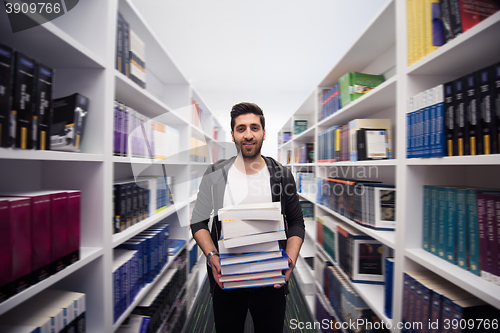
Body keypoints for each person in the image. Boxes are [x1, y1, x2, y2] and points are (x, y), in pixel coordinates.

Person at [190, 102, 305, 333]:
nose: (248, 134)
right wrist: (212, 256)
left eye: (254, 127)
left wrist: (289, 261)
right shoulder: (215, 174)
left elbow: (295, 223)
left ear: (264, 132)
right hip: (227, 278)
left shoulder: (281, 175)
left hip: (271, 279)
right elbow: (198, 221)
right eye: (241, 129)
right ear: (232, 135)